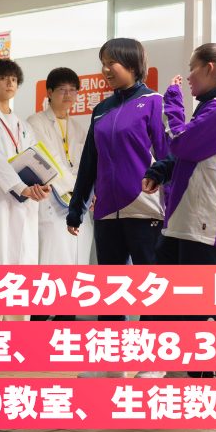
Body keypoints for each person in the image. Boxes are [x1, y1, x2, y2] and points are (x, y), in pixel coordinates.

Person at [142, 44, 216, 379]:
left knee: (198, 304)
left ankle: (200, 377)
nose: (188, 75)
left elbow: (180, 142)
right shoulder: (214, 107)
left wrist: (173, 102)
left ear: (209, 68)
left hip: (206, 220)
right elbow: (186, 155)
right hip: (187, 218)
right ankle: (172, 370)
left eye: (192, 67)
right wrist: (160, 171)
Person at [67, 38, 169, 378]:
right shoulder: (101, 109)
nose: (106, 69)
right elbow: (89, 162)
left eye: (112, 62)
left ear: (133, 64)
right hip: (107, 212)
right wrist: (77, 208)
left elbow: (168, 157)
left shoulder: (154, 102)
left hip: (146, 209)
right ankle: (111, 363)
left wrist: (171, 206)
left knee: (151, 289)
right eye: (103, 62)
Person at [0, 59, 50, 321]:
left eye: (14, 79)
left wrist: (41, 185)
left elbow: (34, 158)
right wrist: (21, 187)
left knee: (22, 265)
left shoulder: (23, 125)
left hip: (23, 203)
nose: (10, 83)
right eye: (3, 78)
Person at [27, 68, 93, 322]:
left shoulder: (78, 128)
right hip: (52, 204)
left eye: (73, 90)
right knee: (49, 269)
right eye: (62, 89)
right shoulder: (36, 122)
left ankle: (65, 323)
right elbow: (49, 159)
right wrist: (80, 189)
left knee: (75, 270)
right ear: (49, 92)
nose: (68, 95)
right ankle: (38, 323)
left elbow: (88, 164)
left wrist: (88, 191)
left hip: (77, 205)